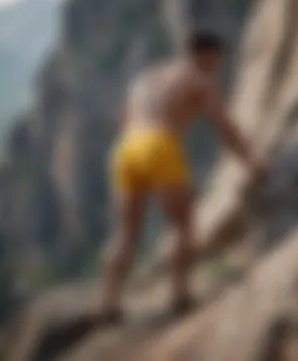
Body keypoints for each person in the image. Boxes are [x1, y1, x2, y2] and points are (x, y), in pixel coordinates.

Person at [100, 29, 267, 323]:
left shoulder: (149, 75)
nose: (217, 65)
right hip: (159, 144)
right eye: (217, 58)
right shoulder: (199, 78)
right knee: (182, 227)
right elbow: (224, 126)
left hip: (125, 148)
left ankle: (109, 303)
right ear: (207, 53)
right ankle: (180, 296)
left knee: (126, 233)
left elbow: (123, 118)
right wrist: (251, 162)